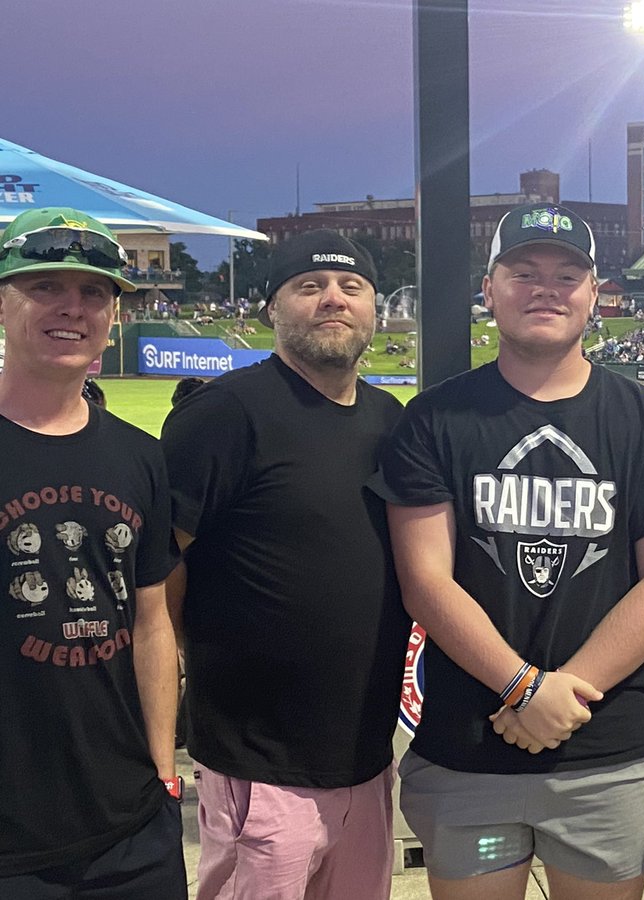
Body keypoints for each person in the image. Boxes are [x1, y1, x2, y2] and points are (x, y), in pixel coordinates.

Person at [376, 202, 644, 900]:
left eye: (567, 275)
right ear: (490, 288)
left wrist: (564, 694)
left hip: (604, 751)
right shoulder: (436, 418)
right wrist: (525, 689)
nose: (545, 289)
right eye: (524, 272)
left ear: (594, 295)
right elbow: (426, 580)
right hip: (470, 751)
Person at [160, 230, 410, 900]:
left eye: (351, 287)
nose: (333, 298)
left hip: (365, 756)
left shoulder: (391, 421)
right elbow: (159, 571)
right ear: (272, 307)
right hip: (259, 762)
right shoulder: (223, 415)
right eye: (309, 286)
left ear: (374, 312)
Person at [0, 208, 185, 897]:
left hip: (130, 826)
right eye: (45, 286)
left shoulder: (138, 456)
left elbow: (152, 620)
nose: (72, 308)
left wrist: (164, 771)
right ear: (2, 299)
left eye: (94, 292)